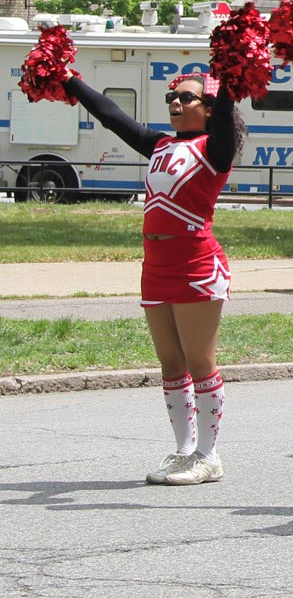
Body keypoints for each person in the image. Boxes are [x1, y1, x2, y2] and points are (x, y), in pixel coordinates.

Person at [66, 71, 244, 486]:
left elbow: (227, 109)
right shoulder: (161, 146)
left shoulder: (215, 148)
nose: (176, 104)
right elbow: (111, 116)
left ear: (210, 107)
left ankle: (208, 455)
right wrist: (70, 81)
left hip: (196, 264)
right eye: (172, 98)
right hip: (156, 264)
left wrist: (231, 73)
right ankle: (184, 451)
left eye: (187, 97)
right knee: (170, 362)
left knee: (200, 361)